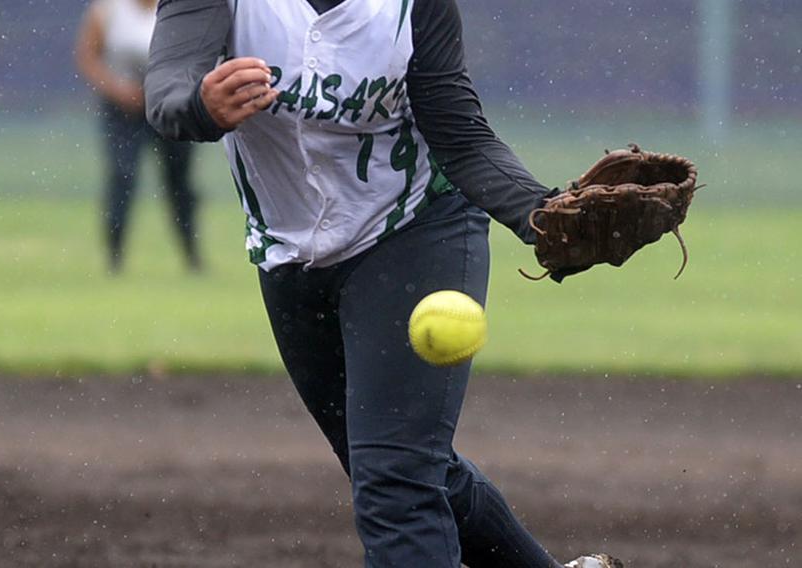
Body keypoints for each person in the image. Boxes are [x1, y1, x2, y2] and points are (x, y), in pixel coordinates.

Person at [145, 1, 623, 567]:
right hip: (290, 256)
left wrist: (542, 215)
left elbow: (460, 137)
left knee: (395, 478)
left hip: (416, 231)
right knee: (405, 467)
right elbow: (168, 85)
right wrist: (199, 105)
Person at [76, 0, 201, 273]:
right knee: (123, 175)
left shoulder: (178, 7)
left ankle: (192, 255)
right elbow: (88, 56)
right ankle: (115, 256)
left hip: (171, 105)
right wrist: (118, 89)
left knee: (179, 180)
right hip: (124, 110)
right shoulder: (109, 8)